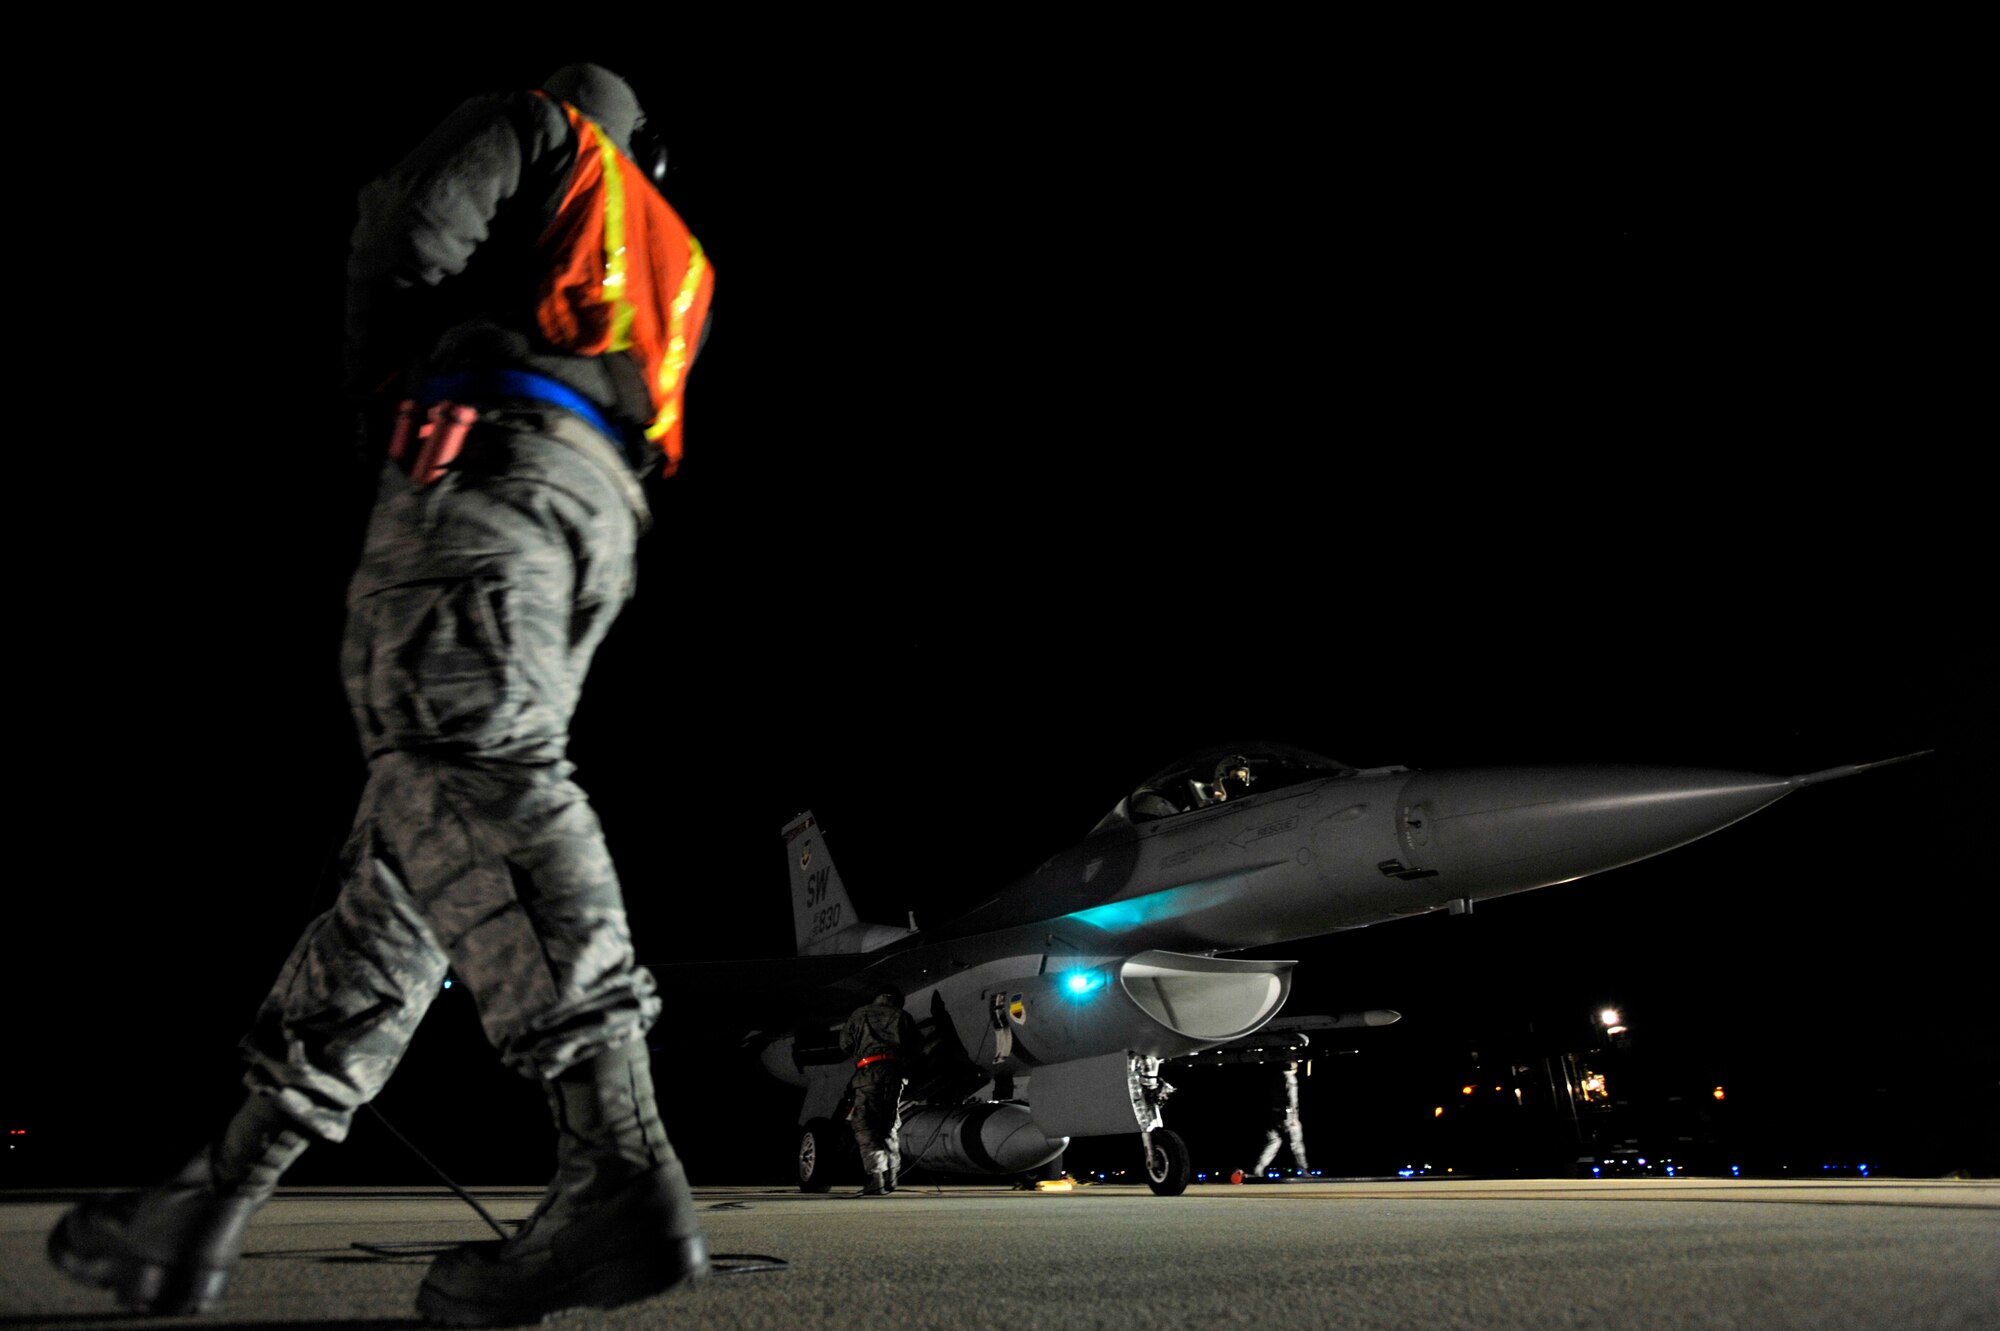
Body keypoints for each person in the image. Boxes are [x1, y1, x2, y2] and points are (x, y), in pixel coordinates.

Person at [47, 63, 716, 1325]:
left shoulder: (548, 132)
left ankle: (618, 1165)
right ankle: (207, 1203)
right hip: (593, 520)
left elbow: (404, 223)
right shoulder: (675, 256)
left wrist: (390, 395)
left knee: (471, 775)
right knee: (413, 864)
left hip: (492, 473)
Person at [840, 986, 923, 1195]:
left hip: (868, 1073)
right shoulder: (903, 1016)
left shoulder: (860, 1014)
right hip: (895, 1075)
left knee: (866, 1123)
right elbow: (917, 1047)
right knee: (889, 1124)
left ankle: (876, 1178)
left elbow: (846, 1045)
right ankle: (892, 1176)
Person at [1250, 1060, 1311, 1179]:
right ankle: (1303, 1169)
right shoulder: (1290, 1079)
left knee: (1273, 1142)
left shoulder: (1275, 1078)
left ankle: (1258, 1168)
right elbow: (1292, 1099)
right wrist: (1294, 1118)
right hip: (1287, 1116)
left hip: (1273, 1115)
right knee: (1296, 1143)